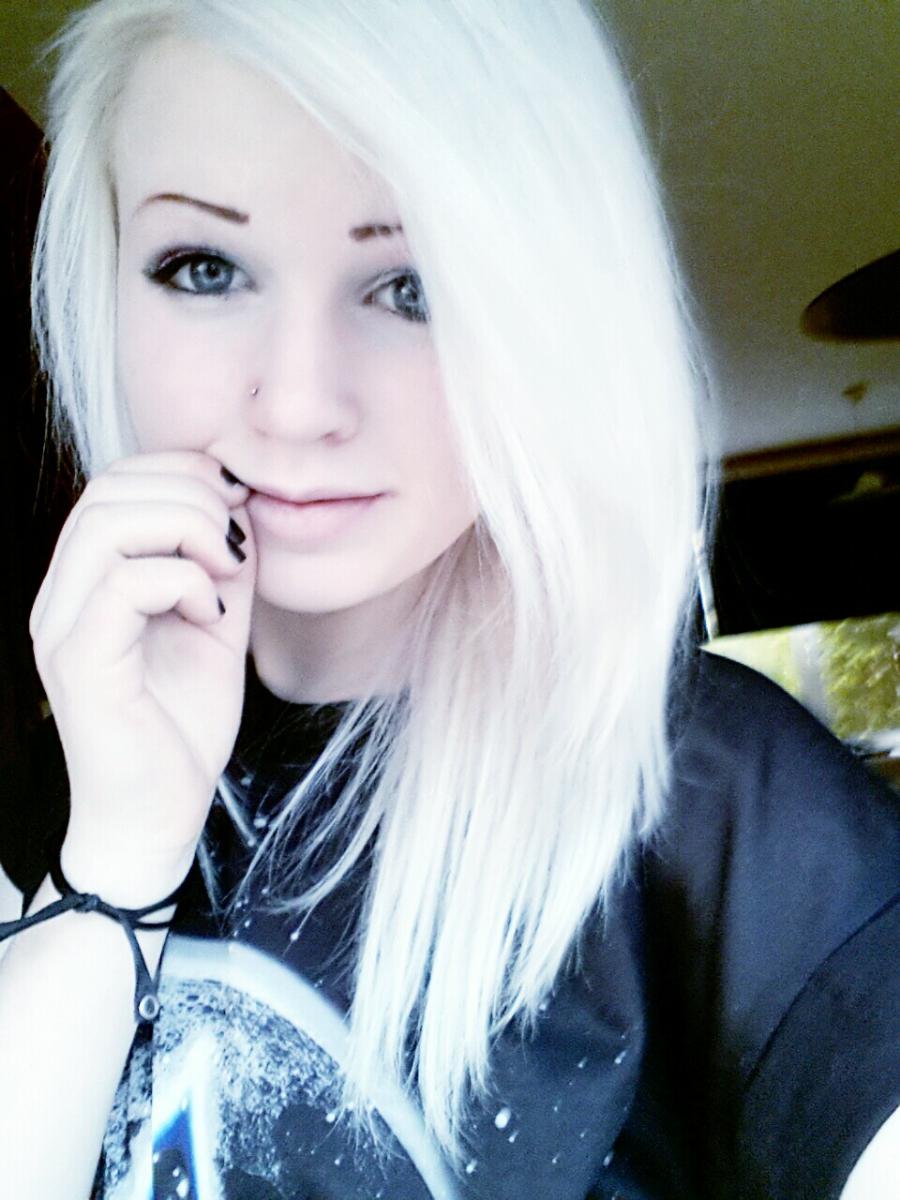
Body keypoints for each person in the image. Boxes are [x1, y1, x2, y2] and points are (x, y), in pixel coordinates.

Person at [0, 1, 897, 1197]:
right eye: (205, 269)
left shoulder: (712, 797)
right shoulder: (64, 781)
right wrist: (116, 855)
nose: (298, 402)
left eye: (412, 286)